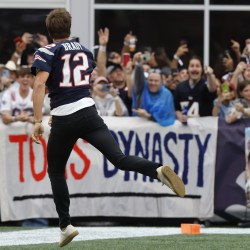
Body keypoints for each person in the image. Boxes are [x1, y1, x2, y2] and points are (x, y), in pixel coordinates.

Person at [31, 8, 185, 248]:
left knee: (56, 172)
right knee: (120, 158)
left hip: (64, 117)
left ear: (49, 31)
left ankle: (65, 225)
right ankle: (156, 170)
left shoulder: (45, 51)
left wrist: (37, 120)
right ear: (69, 28)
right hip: (89, 112)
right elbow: (88, 76)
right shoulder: (82, 49)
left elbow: (40, 84)